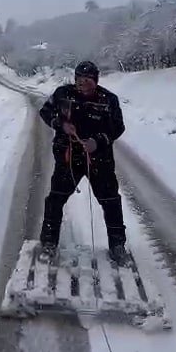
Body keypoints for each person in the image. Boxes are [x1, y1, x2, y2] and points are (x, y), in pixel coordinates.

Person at [38, 59, 127, 263]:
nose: (82, 83)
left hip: (99, 160)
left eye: (87, 80)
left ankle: (118, 245)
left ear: (95, 80)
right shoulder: (62, 94)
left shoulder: (108, 100)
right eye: (79, 79)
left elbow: (118, 127)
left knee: (111, 201)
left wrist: (98, 141)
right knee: (55, 200)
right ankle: (49, 243)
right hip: (67, 158)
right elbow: (45, 112)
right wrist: (60, 123)